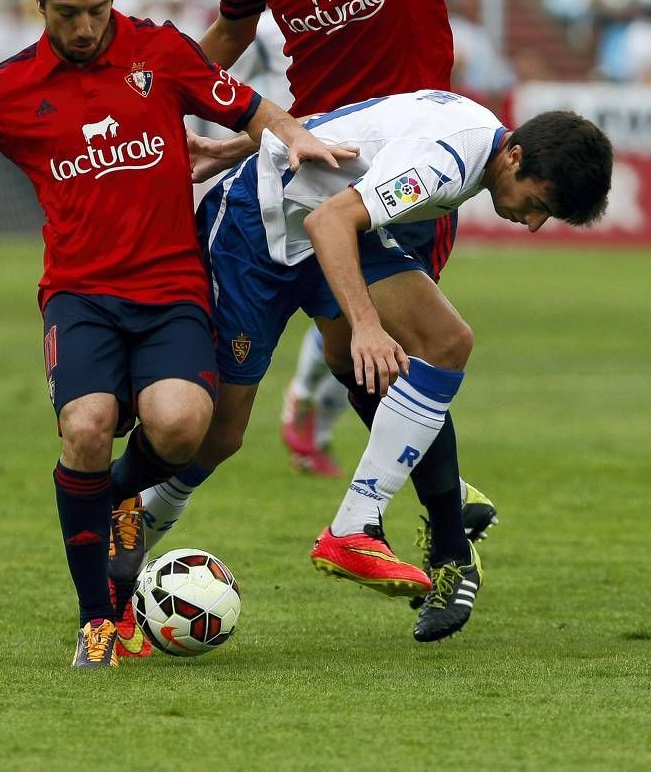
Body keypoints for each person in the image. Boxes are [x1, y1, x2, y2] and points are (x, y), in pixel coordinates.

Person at [0, 0, 355, 668]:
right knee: (88, 430)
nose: (85, 27)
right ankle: (97, 619)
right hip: (80, 297)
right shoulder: (5, 89)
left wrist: (294, 135)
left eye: (96, 9)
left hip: (170, 291)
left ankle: (118, 499)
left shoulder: (159, 52)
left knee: (182, 427)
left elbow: (246, 105)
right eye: (68, 13)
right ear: (41, 6)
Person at [135, 0, 563, 563]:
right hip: (312, 164)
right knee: (344, 356)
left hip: (408, 168)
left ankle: (433, 524)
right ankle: (438, 497)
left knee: (400, 343)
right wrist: (157, 106)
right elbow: (234, 29)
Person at [197, 88, 613, 640]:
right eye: (538, 203)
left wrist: (236, 146)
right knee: (216, 434)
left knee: (444, 341)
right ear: (514, 156)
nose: (533, 223)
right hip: (265, 223)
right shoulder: (446, 165)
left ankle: (373, 527)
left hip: (319, 211)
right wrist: (368, 324)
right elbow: (330, 222)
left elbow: (359, 125)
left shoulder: (474, 140)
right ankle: (122, 519)